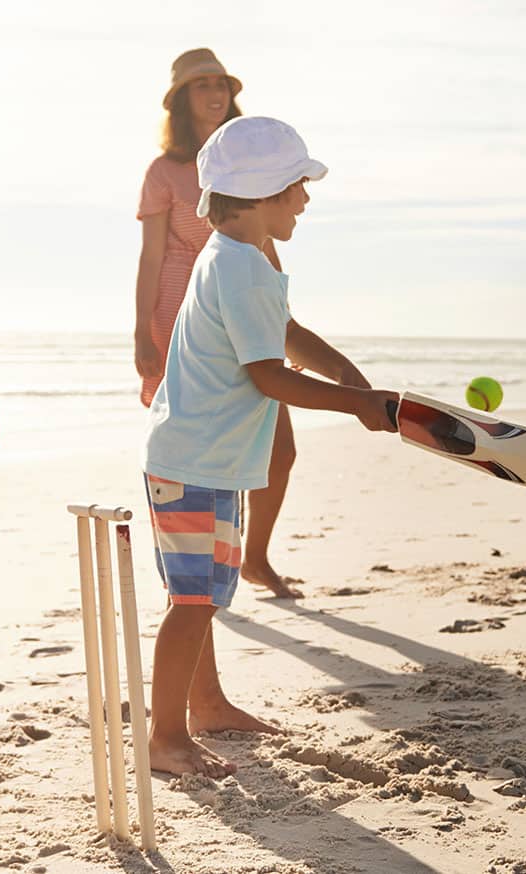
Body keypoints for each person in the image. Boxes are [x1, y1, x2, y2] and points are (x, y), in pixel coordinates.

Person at [139, 116, 400, 776]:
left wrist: (345, 374)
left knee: (205, 596)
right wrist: (355, 405)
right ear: (261, 194)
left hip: (207, 460)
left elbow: (283, 331)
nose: (305, 201)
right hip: (195, 462)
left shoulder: (233, 258)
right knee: (192, 603)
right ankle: (166, 737)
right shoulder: (242, 267)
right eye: (296, 188)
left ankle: (207, 706)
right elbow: (268, 374)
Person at [135, 48, 370, 599]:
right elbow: (151, 257)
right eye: (202, 85)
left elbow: (265, 269)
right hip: (189, 314)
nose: (215, 94)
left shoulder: (248, 194)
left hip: (245, 299)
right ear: (181, 99)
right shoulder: (169, 173)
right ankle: (198, 581)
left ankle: (243, 561)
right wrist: (142, 333)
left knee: (265, 448)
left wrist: (328, 359)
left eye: (221, 84)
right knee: (203, 453)